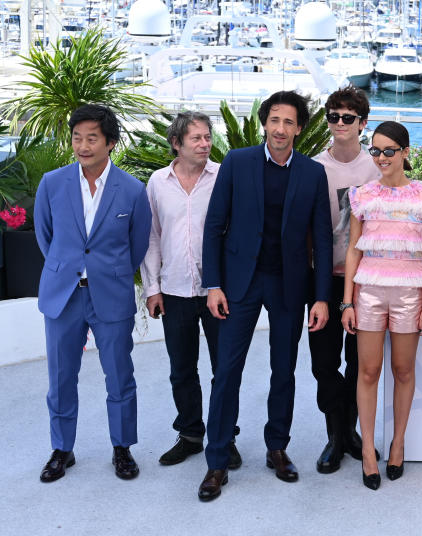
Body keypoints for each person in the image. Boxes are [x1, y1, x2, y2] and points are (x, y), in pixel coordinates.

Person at [198, 91, 333, 501]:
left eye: (289, 122)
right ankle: (217, 461)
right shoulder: (237, 163)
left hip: (288, 283)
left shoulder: (312, 173)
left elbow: (323, 240)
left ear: (299, 128)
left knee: (284, 370)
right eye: (275, 120)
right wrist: (214, 284)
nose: (280, 129)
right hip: (239, 282)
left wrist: (323, 297)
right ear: (264, 123)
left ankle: (278, 447)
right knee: (227, 373)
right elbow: (214, 224)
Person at [34, 104, 151, 482]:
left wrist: (107, 272)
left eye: (92, 138)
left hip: (110, 295)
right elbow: (45, 236)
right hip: (63, 295)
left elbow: (137, 245)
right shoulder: (52, 183)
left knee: (119, 376)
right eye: (77, 138)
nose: (82, 146)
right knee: (61, 376)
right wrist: (68, 268)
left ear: (110, 143)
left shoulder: (132, 191)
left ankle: (122, 449)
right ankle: (62, 449)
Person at [341, 121, 422, 491]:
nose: (381, 158)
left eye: (388, 151)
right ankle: (368, 448)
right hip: (368, 292)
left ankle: (398, 443)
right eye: (376, 150)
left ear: (405, 152)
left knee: (403, 369)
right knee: (368, 371)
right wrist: (346, 300)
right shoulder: (361, 195)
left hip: (410, 294)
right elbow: (353, 248)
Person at [141, 112, 242, 469]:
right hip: (175, 291)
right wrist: (152, 289)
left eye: (207, 137)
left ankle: (225, 436)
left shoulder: (223, 178)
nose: (205, 144)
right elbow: (151, 237)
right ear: (176, 143)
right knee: (181, 369)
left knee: (224, 369)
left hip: (219, 291)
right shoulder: (157, 182)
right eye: (196, 138)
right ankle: (190, 435)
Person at [310, 86, 383, 474]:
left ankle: (348, 434)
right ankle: (335, 432)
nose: (340, 124)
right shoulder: (314, 167)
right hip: (323, 279)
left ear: (362, 123)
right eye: (334, 116)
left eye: (348, 118)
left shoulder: (376, 168)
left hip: (367, 280)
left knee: (359, 363)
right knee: (323, 363)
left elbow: (398, 207)